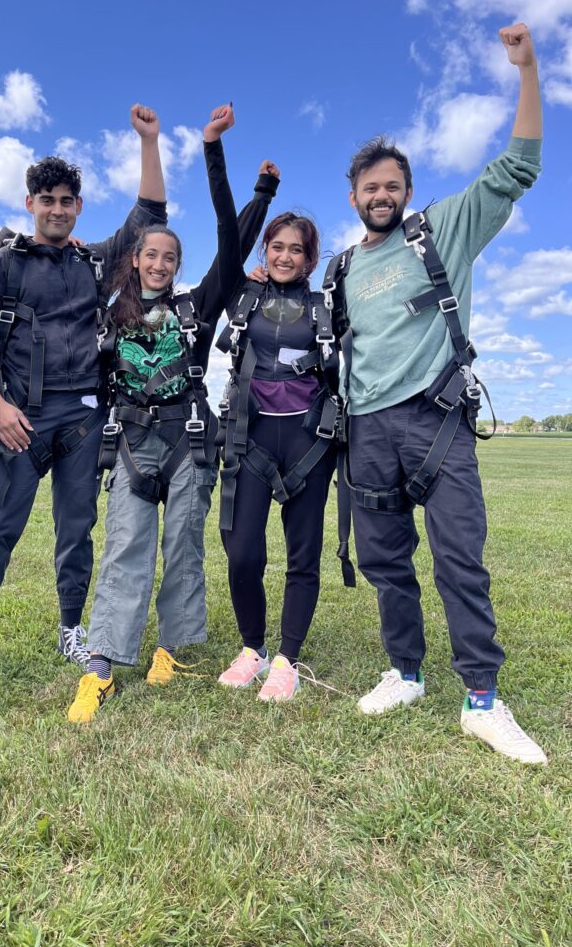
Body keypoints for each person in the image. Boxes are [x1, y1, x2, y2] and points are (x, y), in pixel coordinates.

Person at [333, 23, 547, 763]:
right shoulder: (341, 270)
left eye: (393, 185)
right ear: (355, 197)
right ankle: (407, 671)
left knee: (460, 555)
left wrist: (527, 69)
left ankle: (482, 698)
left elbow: (518, 166)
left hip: (438, 420)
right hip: (366, 430)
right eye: (371, 188)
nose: (382, 195)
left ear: (408, 192)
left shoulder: (442, 230)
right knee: (386, 558)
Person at [67, 107, 280, 722]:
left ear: (178, 266)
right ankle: (103, 663)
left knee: (184, 544)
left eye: (169, 257)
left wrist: (254, 189)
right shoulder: (109, 303)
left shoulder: (199, 304)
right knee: (126, 546)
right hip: (131, 439)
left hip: (189, 439)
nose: (159, 263)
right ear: (134, 258)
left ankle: (172, 647)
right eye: (150, 254)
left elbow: (229, 239)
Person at [0, 106, 167, 686]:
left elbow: (149, 216)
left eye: (66, 200)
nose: (56, 209)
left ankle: (72, 628)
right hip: (19, 416)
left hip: (83, 419)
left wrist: (149, 141)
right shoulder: (1, 268)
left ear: (77, 207)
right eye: (46, 199)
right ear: (30, 204)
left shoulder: (95, 263)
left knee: (77, 530)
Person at [210, 106, 341, 703]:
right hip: (250, 437)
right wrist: (255, 186)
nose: (286, 256)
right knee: (241, 553)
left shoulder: (326, 306)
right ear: (266, 249)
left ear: (311, 258)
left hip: (309, 443)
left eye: (297, 249)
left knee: (303, 555)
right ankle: (252, 648)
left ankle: (288, 659)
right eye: (277, 247)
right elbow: (223, 229)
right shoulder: (244, 292)